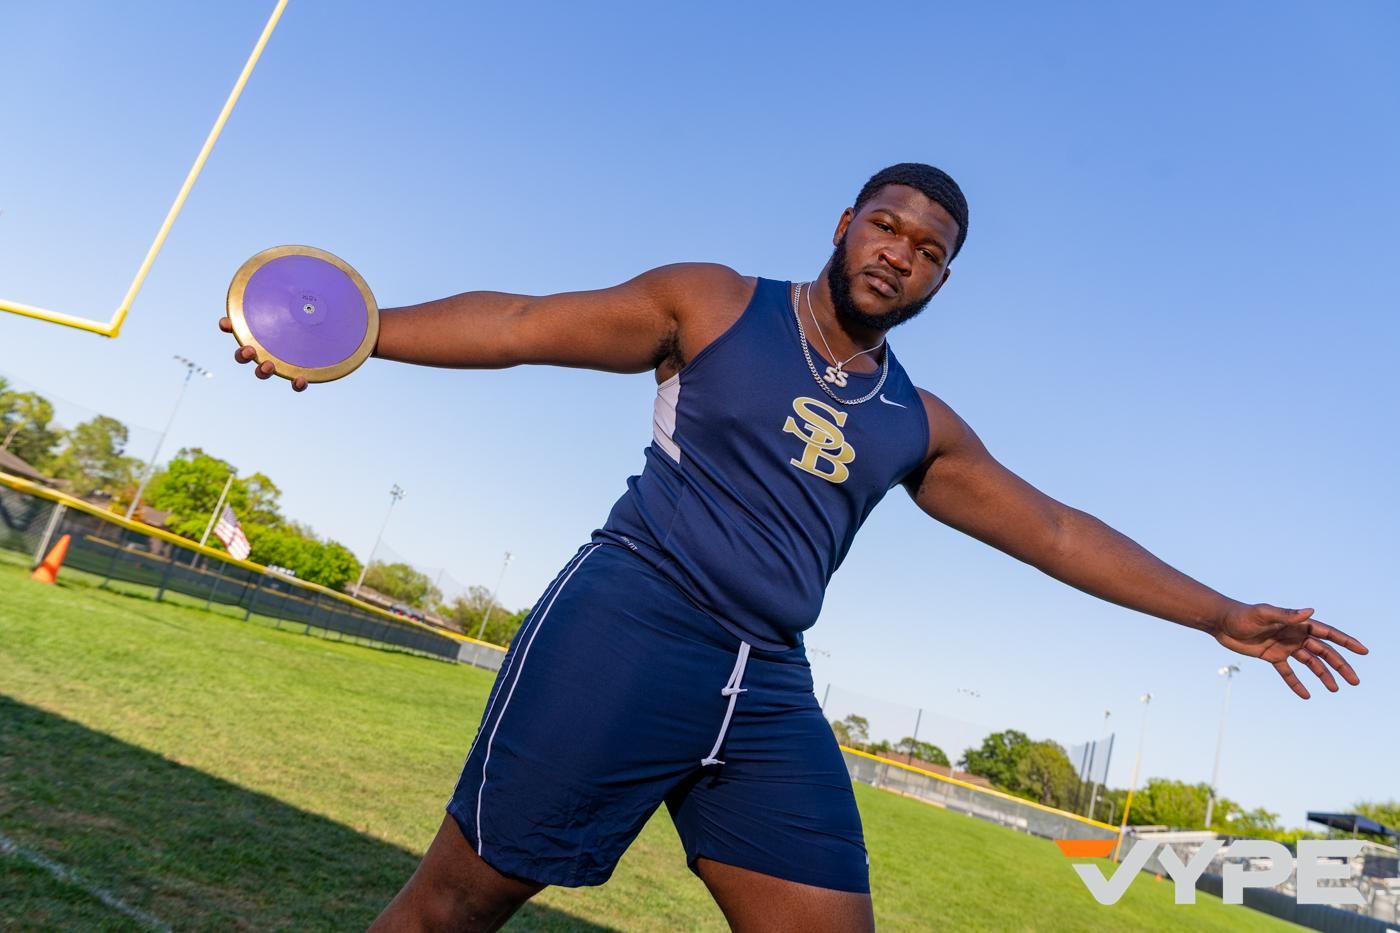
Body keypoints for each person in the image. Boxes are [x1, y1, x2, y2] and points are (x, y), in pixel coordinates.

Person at [222, 163, 1368, 932]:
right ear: (842, 224)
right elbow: (523, 324)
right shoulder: (712, 304)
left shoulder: (918, 421)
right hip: (631, 624)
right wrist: (360, 335)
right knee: (452, 907)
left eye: (927, 249)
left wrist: (1216, 614)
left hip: (764, 685)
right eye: (885, 226)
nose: (899, 255)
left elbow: (1058, 532)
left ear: (942, 277)